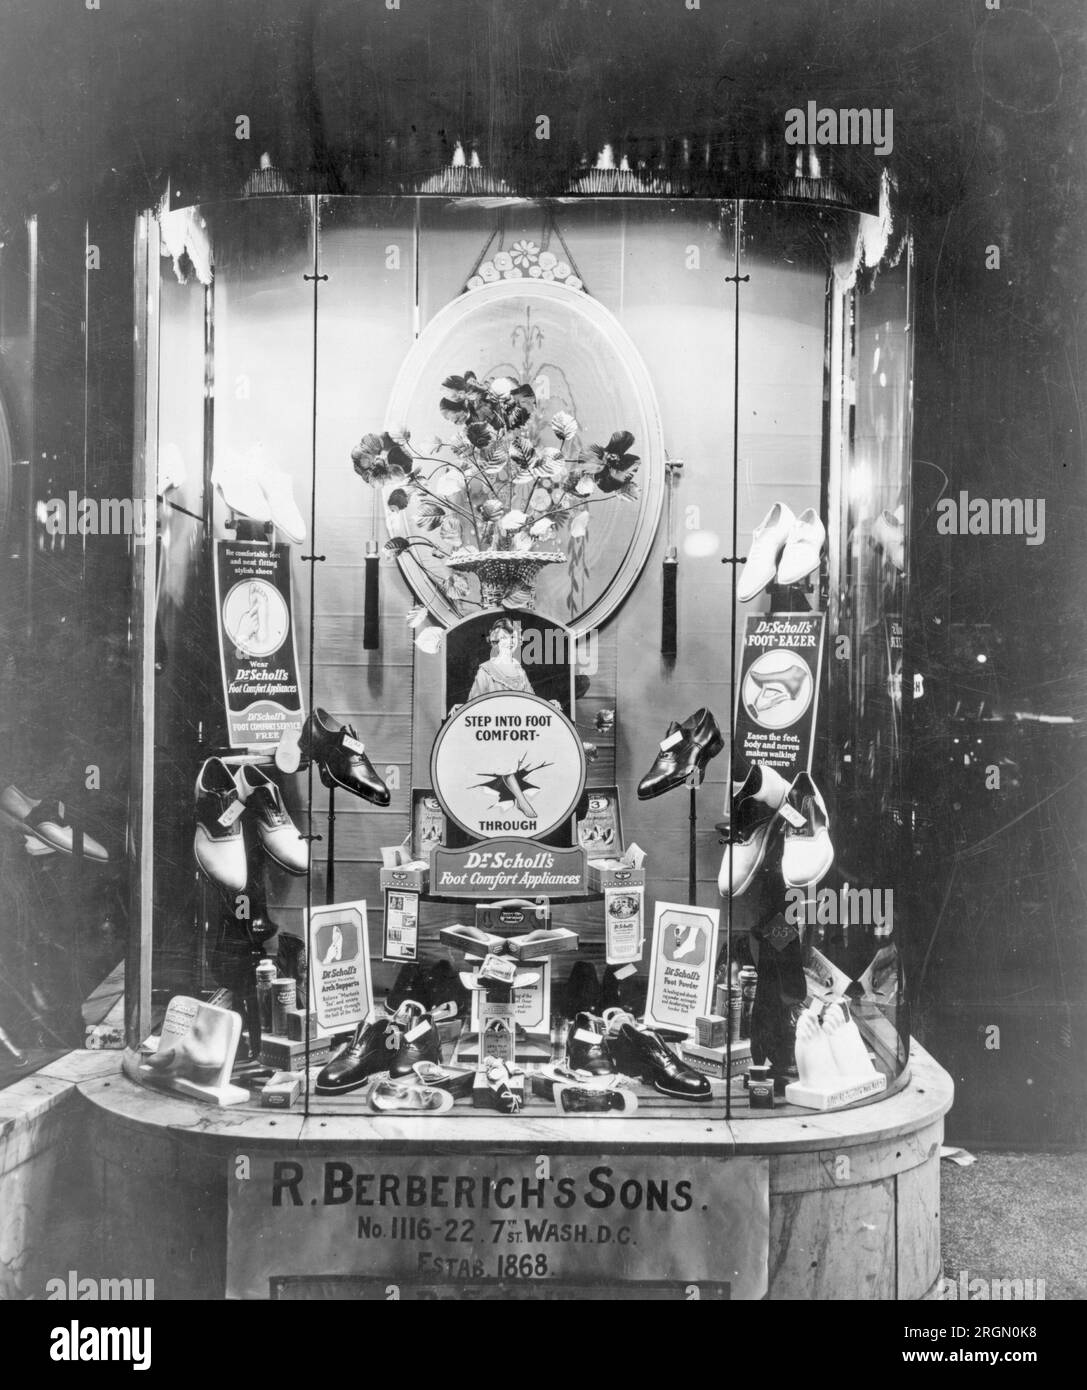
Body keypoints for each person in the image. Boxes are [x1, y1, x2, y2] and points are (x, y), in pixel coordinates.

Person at [468, 618, 534, 699]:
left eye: (513, 637)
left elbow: (532, 701)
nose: (510, 642)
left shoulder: (520, 671)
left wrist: (549, 704)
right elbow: (473, 704)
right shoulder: (485, 670)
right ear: (496, 641)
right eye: (504, 637)